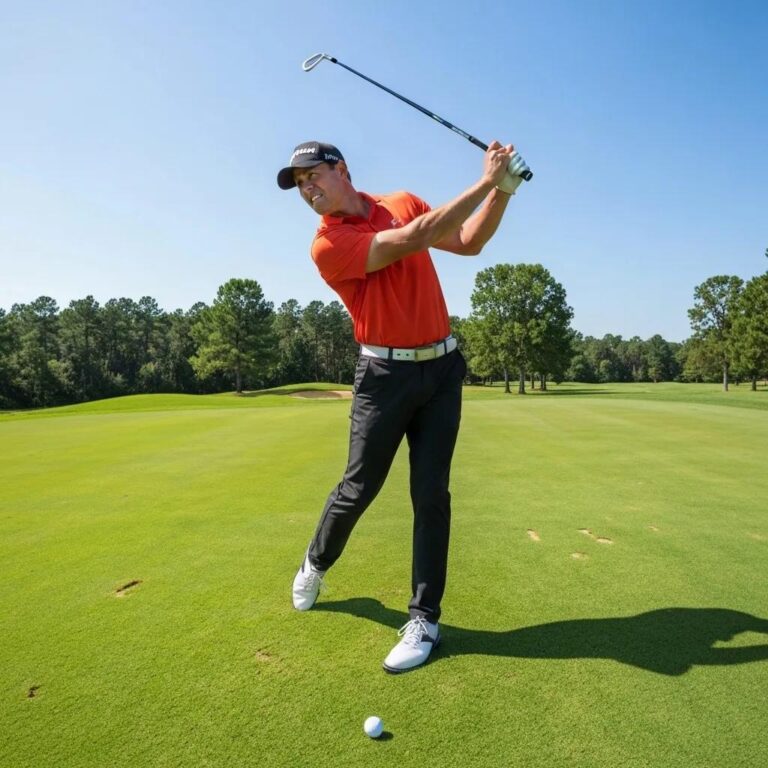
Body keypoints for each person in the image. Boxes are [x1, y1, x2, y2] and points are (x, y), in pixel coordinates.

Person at [276, 139, 523, 673]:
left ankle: (424, 620)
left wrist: (502, 191)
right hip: (384, 376)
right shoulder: (328, 243)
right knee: (359, 487)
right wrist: (486, 179)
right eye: (299, 185)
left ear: (341, 169)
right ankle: (316, 562)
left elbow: (468, 241)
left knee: (431, 494)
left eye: (312, 176)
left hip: (442, 369)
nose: (307, 190)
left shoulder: (403, 200)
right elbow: (415, 238)